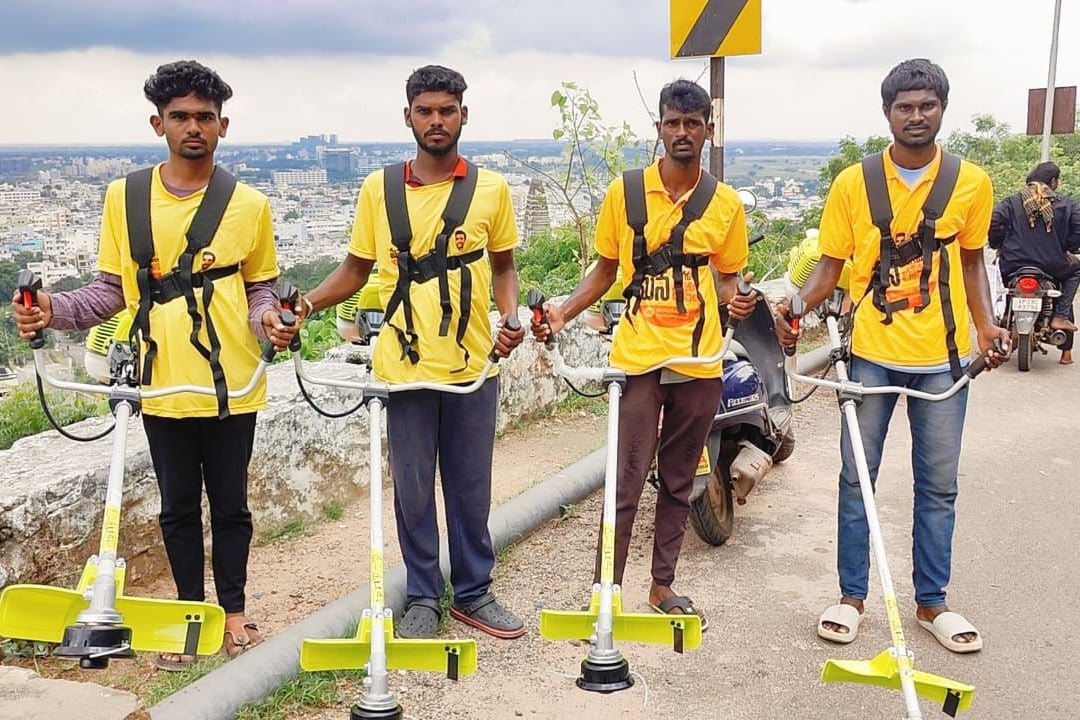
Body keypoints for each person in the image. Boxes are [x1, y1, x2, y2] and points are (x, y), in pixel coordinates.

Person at [10, 60, 298, 669]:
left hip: (230, 382)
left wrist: (270, 320)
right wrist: (52, 310)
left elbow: (259, 290)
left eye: (203, 117)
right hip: (160, 381)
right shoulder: (125, 197)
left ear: (223, 125)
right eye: (180, 117)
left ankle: (235, 612)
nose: (193, 127)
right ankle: (189, 617)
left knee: (230, 505)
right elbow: (110, 290)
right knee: (175, 508)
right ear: (158, 123)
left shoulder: (250, 206)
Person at [773, 58, 1009, 653]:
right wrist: (796, 307)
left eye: (927, 105)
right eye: (904, 106)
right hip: (870, 353)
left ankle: (932, 603)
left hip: (945, 358)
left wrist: (987, 328)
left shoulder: (971, 183)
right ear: (887, 113)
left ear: (942, 110)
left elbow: (974, 262)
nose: (916, 116)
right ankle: (851, 597)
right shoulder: (854, 184)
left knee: (939, 485)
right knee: (858, 480)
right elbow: (828, 268)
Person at [303, 65, 526, 639]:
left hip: (472, 363)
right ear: (408, 116)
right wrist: (306, 304)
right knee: (411, 488)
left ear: (463, 116)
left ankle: (473, 590)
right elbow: (355, 269)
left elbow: (503, 266)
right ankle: (425, 593)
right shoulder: (379, 190)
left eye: (446, 110)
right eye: (425, 110)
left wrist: (510, 317)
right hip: (402, 367)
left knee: (471, 484)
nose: (436, 120)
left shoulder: (490, 190)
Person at [531, 79, 755, 628]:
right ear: (659, 128)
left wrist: (739, 300)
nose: (683, 132)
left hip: (700, 357)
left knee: (681, 477)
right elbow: (605, 270)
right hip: (637, 354)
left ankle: (662, 586)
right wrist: (561, 311)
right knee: (627, 474)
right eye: (673, 122)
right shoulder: (625, 193)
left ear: (707, 128)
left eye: (693, 122)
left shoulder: (724, 205)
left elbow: (726, 280)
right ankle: (606, 587)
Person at [989, 161, 1080, 364]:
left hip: (1012, 264)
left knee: (998, 290)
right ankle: (1060, 318)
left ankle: (998, 324)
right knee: (1074, 271)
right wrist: (1069, 247)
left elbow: (995, 221)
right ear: (1054, 181)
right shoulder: (1066, 204)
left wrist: (998, 244)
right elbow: (1078, 229)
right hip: (1053, 265)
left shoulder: (1011, 202)